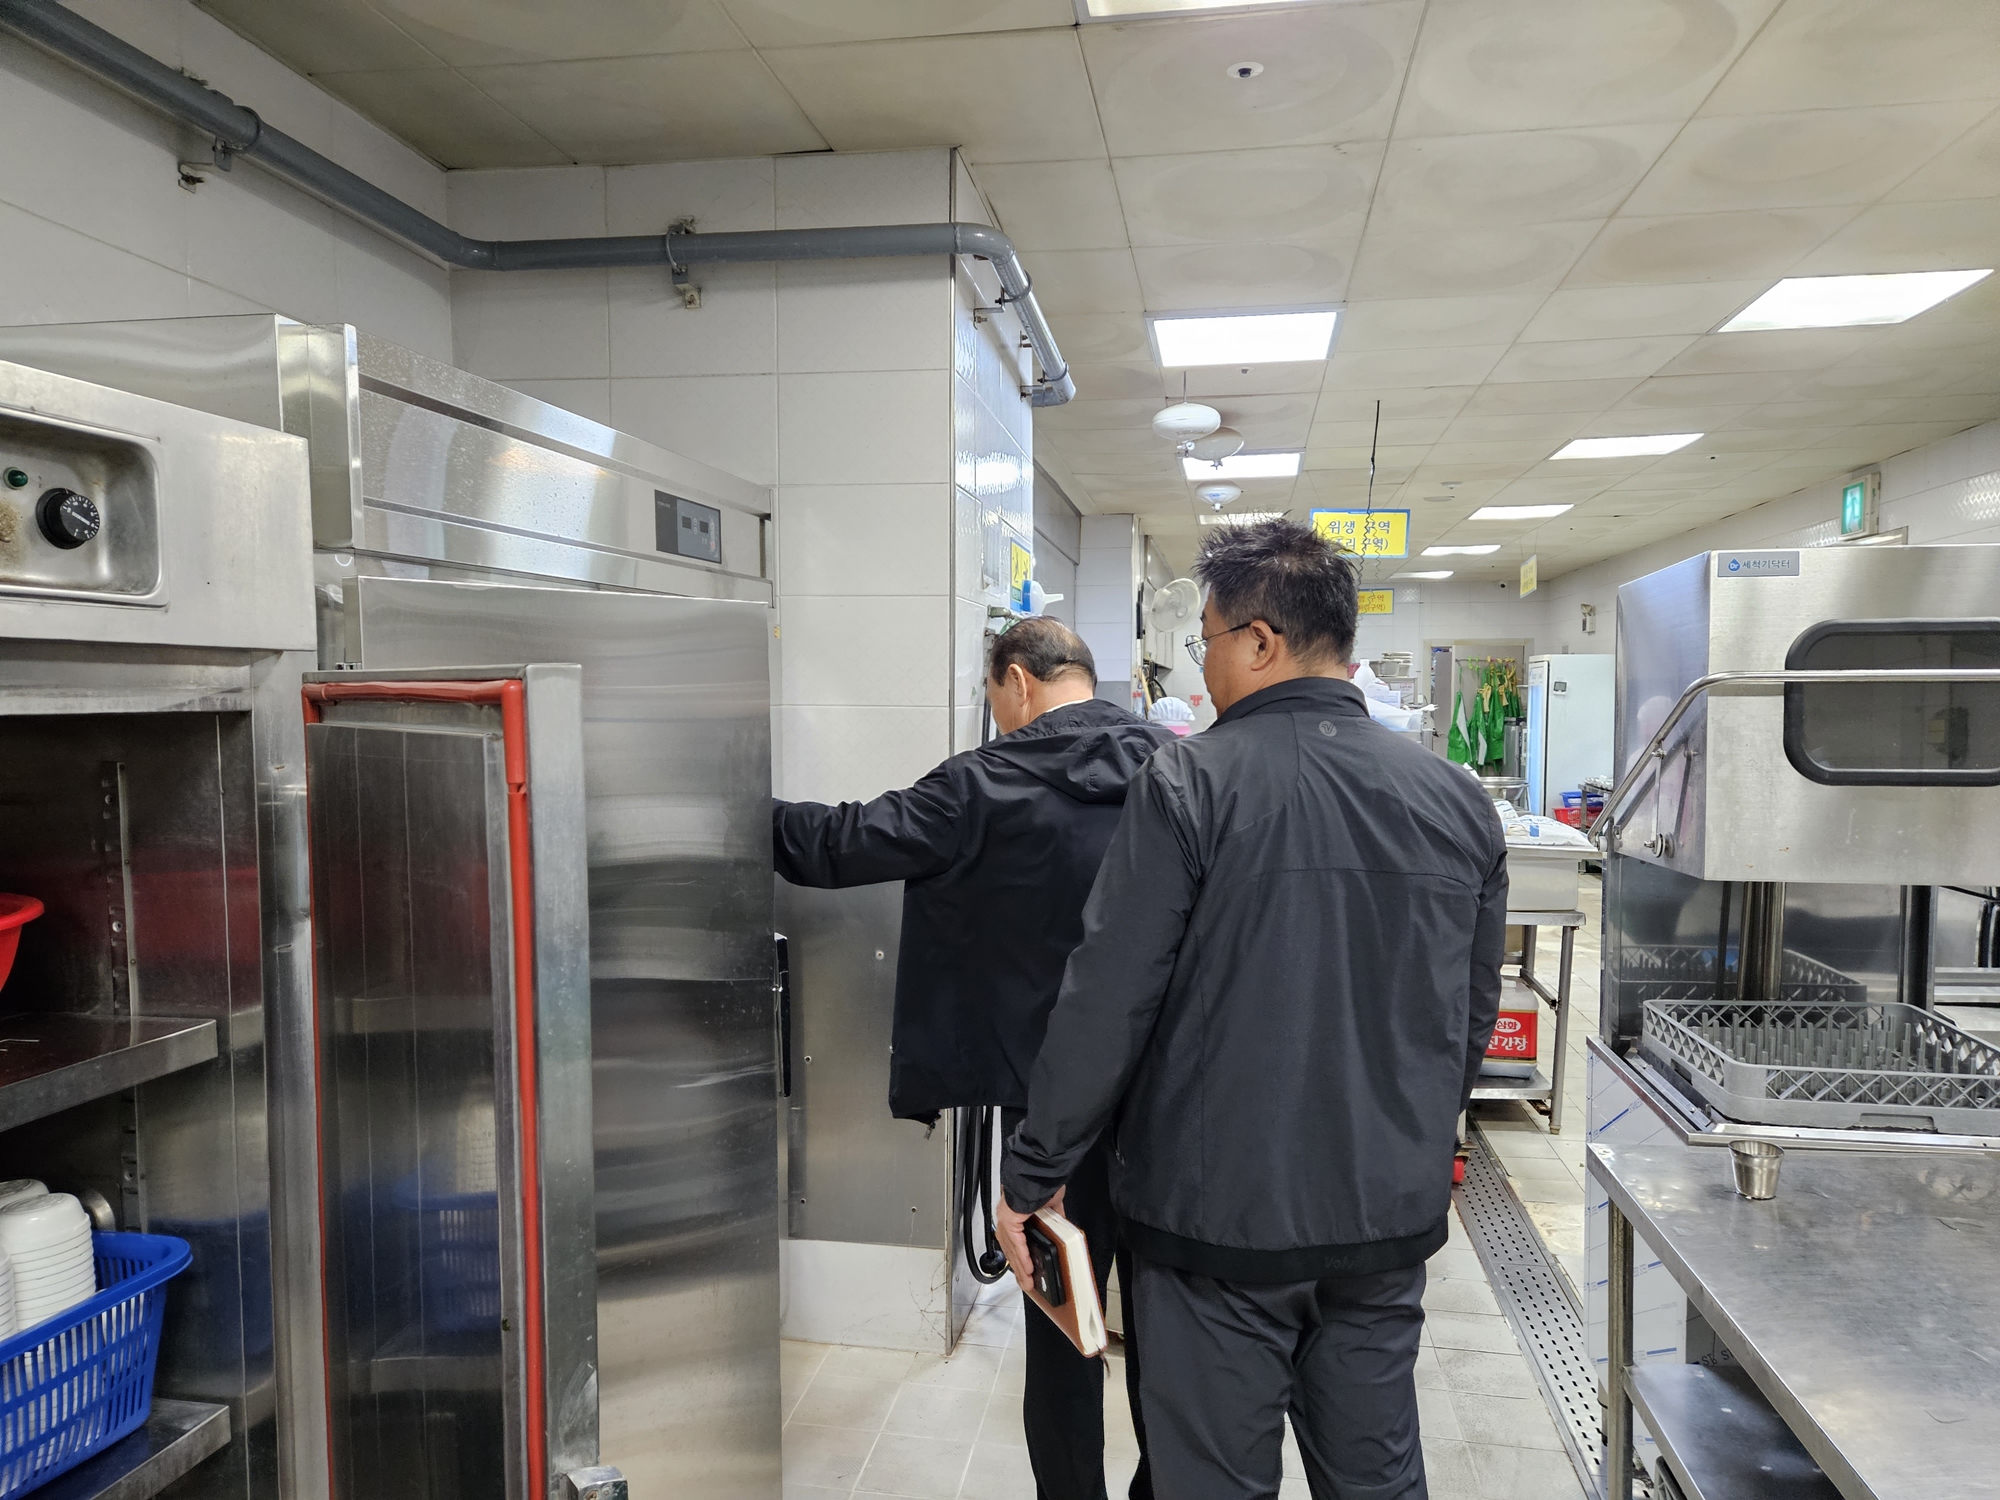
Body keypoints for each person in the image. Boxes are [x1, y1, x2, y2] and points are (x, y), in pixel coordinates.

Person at [996, 520, 1508, 1500]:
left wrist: (1033, 1171)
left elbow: (1108, 999)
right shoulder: (1453, 798)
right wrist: (1404, 1148)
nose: (1205, 667)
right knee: (1376, 1480)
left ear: (1260, 640)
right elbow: (1466, 1017)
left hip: (1215, 1230)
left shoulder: (1189, 781)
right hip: (1381, 1223)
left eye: (1208, 642)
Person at [772, 615, 1172, 1500]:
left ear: (1018, 682)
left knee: (1065, 1325)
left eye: (995, 699)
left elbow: (838, 843)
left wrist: (727, 803)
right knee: (1172, 1330)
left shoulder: (983, 782)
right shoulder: (1180, 769)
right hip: (1172, 1104)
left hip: (1051, 1112)